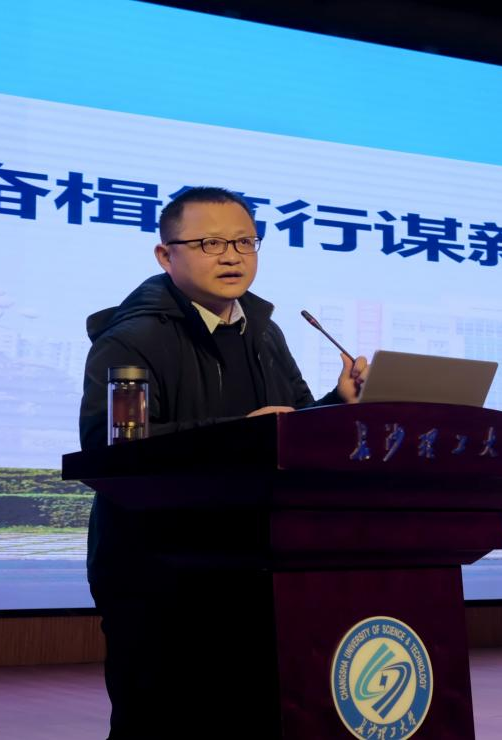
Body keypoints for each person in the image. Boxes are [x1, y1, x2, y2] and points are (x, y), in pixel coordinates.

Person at [78, 186, 368, 738]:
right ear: (165, 255)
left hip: (257, 564)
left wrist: (338, 403)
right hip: (159, 572)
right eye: (210, 243)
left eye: (244, 242)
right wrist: (239, 432)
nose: (232, 256)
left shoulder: (264, 332)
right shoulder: (130, 338)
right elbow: (112, 447)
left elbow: (291, 424)